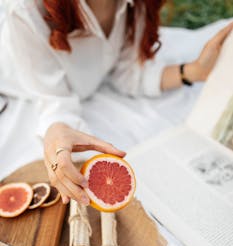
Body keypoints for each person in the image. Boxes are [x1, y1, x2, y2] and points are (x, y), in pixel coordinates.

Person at [0, 0, 232, 205]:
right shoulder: (24, 9)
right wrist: (58, 130)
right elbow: (53, 98)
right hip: (14, 79)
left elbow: (128, 71)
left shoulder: (138, 4)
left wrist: (193, 71)